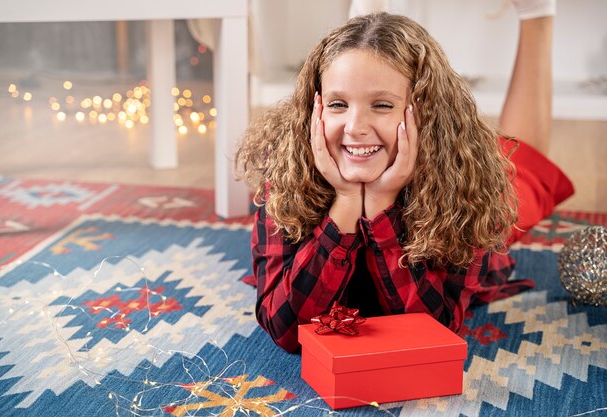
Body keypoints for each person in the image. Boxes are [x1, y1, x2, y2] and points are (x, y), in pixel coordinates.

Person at [235, 1, 573, 353]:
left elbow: (433, 329)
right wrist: (347, 202)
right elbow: (287, 331)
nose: (354, 126)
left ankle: (537, 15)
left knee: (524, 171)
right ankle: (370, 27)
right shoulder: (288, 171)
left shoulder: (465, 186)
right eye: (337, 104)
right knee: (364, 105)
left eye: (382, 105)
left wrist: (381, 207)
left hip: (433, 172)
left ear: (423, 113)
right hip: (364, 158)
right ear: (315, 108)